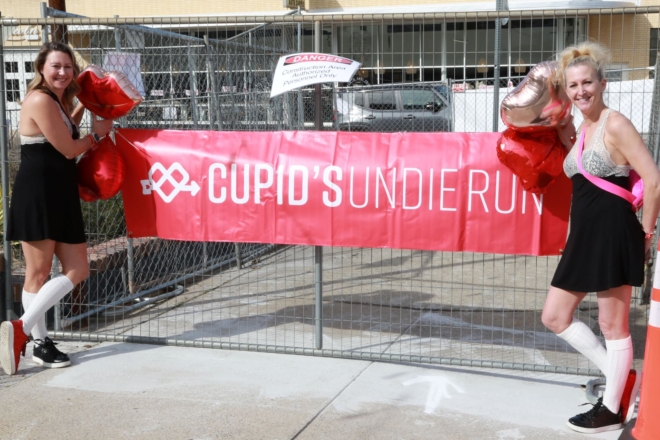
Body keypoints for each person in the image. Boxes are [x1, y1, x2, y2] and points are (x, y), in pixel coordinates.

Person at [542, 41, 660, 434]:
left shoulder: (615, 123)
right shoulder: (582, 129)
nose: (580, 91)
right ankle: (620, 378)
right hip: (585, 236)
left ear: (602, 83)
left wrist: (646, 235)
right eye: (573, 85)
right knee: (555, 316)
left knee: (613, 326)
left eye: (587, 82)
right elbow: (582, 184)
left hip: (615, 233)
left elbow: (655, 180)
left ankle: (611, 409)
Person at [0, 42, 113, 375]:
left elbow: (67, 127)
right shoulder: (39, 99)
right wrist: (96, 136)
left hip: (60, 194)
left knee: (77, 269)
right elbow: (68, 149)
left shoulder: (59, 101)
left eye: (68, 67)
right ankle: (38, 341)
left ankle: (20, 329)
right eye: (56, 66)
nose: (63, 72)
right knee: (37, 273)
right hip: (39, 193)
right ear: (40, 69)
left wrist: (85, 106)